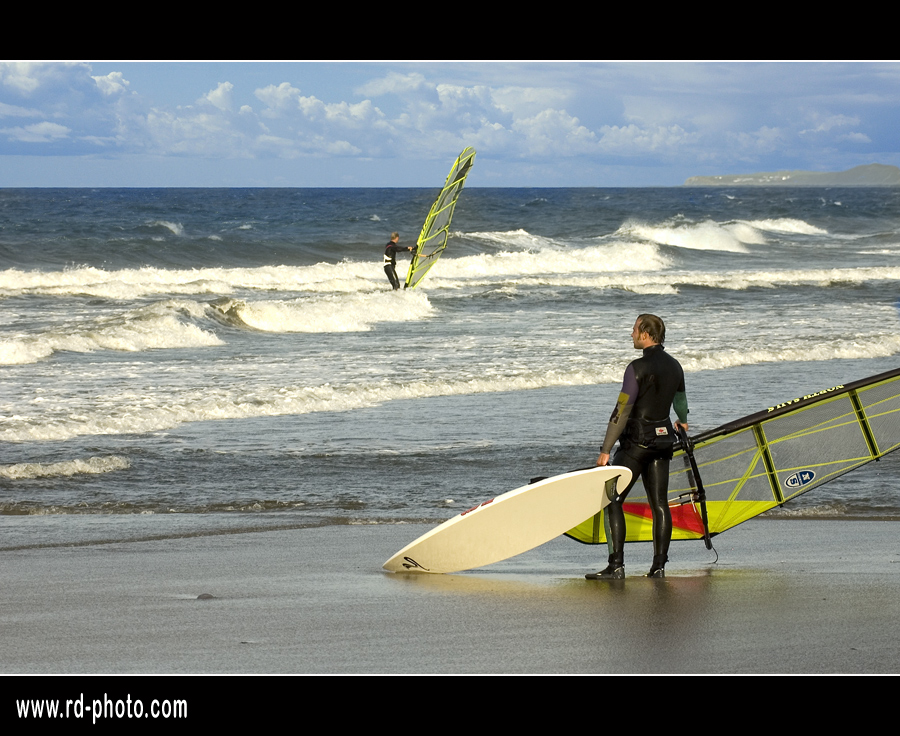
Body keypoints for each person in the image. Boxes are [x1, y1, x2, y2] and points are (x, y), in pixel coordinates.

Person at [586, 314, 689, 580]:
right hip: (664, 440)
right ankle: (658, 568)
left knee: (613, 498)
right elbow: (680, 401)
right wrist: (684, 421)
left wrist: (606, 449)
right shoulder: (675, 366)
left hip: (636, 444)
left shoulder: (636, 368)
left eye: (633, 330)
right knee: (660, 504)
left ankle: (616, 565)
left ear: (645, 333)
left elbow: (622, 410)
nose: (631, 335)